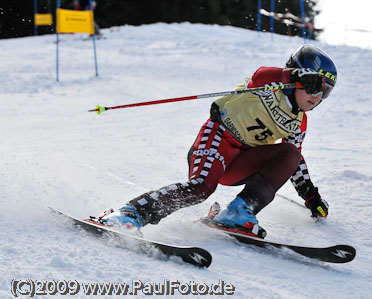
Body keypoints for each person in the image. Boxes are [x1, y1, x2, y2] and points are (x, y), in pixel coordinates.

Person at [97, 44, 337, 238]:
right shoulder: (272, 85)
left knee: (291, 153)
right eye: (314, 87)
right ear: (296, 78)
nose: (317, 97)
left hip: (241, 161)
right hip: (218, 138)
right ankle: (128, 214)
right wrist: (290, 75)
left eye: (325, 92)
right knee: (201, 188)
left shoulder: (298, 121)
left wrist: (311, 196)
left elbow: (294, 162)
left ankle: (239, 212)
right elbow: (261, 75)